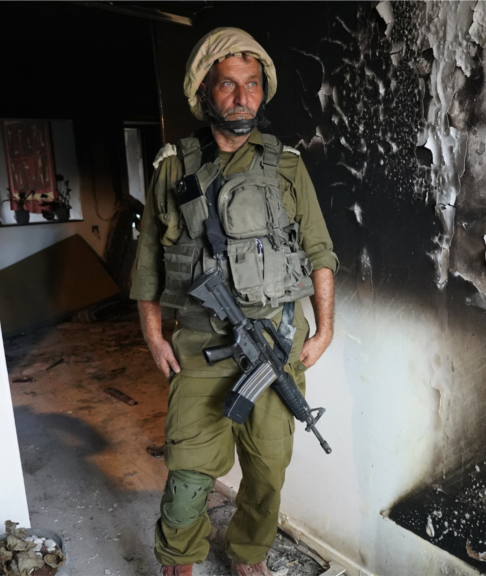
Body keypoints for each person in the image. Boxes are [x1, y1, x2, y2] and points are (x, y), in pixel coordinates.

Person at [130, 27, 338, 576]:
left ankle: (248, 554)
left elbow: (319, 249)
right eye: (228, 85)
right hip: (198, 350)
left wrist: (324, 328)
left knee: (268, 471)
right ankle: (179, 560)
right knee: (189, 475)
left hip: (274, 347)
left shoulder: (287, 166)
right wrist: (153, 335)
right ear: (204, 91)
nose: (242, 96)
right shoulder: (173, 167)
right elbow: (149, 258)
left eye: (252, 85)